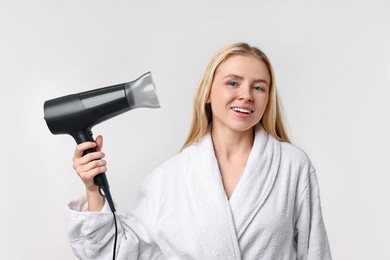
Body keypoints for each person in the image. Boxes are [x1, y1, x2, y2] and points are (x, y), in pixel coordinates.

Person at [66, 42, 332, 259]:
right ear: (207, 93)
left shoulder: (292, 166)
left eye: (258, 87)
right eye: (232, 83)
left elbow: (315, 251)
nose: (246, 95)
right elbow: (118, 252)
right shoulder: (169, 178)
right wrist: (92, 188)